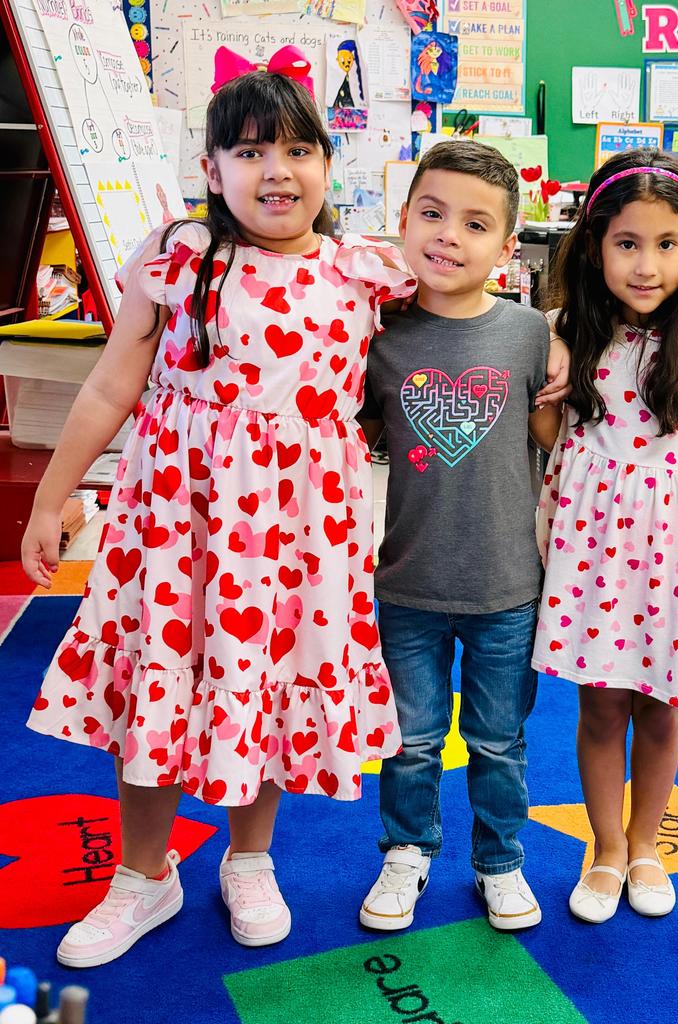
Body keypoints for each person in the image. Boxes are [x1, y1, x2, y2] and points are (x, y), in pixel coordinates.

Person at [21, 69, 416, 967]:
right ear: (211, 168)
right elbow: (112, 384)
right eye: (249, 151)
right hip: (177, 525)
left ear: (327, 164)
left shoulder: (362, 272)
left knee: (267, 678)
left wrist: (551, 343)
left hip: (296, 535)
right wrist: (52, 497)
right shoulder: (183, 257)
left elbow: (461, 324)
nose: (276, 170)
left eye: (298, 149)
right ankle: (142, 873)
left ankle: (249, 859)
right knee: (158, 677)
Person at [531, 149, 678, 923]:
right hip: (591, 556)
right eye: (626, 242)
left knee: (662, 710)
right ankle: (602, 848)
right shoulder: (564, 334)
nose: (645, 265)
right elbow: (547, 434)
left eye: (666, 244)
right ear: (594, 245)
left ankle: (643, 847)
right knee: (600, 709)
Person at [357, 140, 569, 933]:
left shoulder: (527, 335)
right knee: (410, 740)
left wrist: (562, 351)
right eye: (432, 213)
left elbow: (552, 437)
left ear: (506, 247)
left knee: (498, 740)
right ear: (402, 219)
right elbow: (349, 436)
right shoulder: (377, 335)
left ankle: (498, 860)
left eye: (475, 224)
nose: (448, 235)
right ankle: (407, 851)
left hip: (506, 588)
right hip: (407, 583)